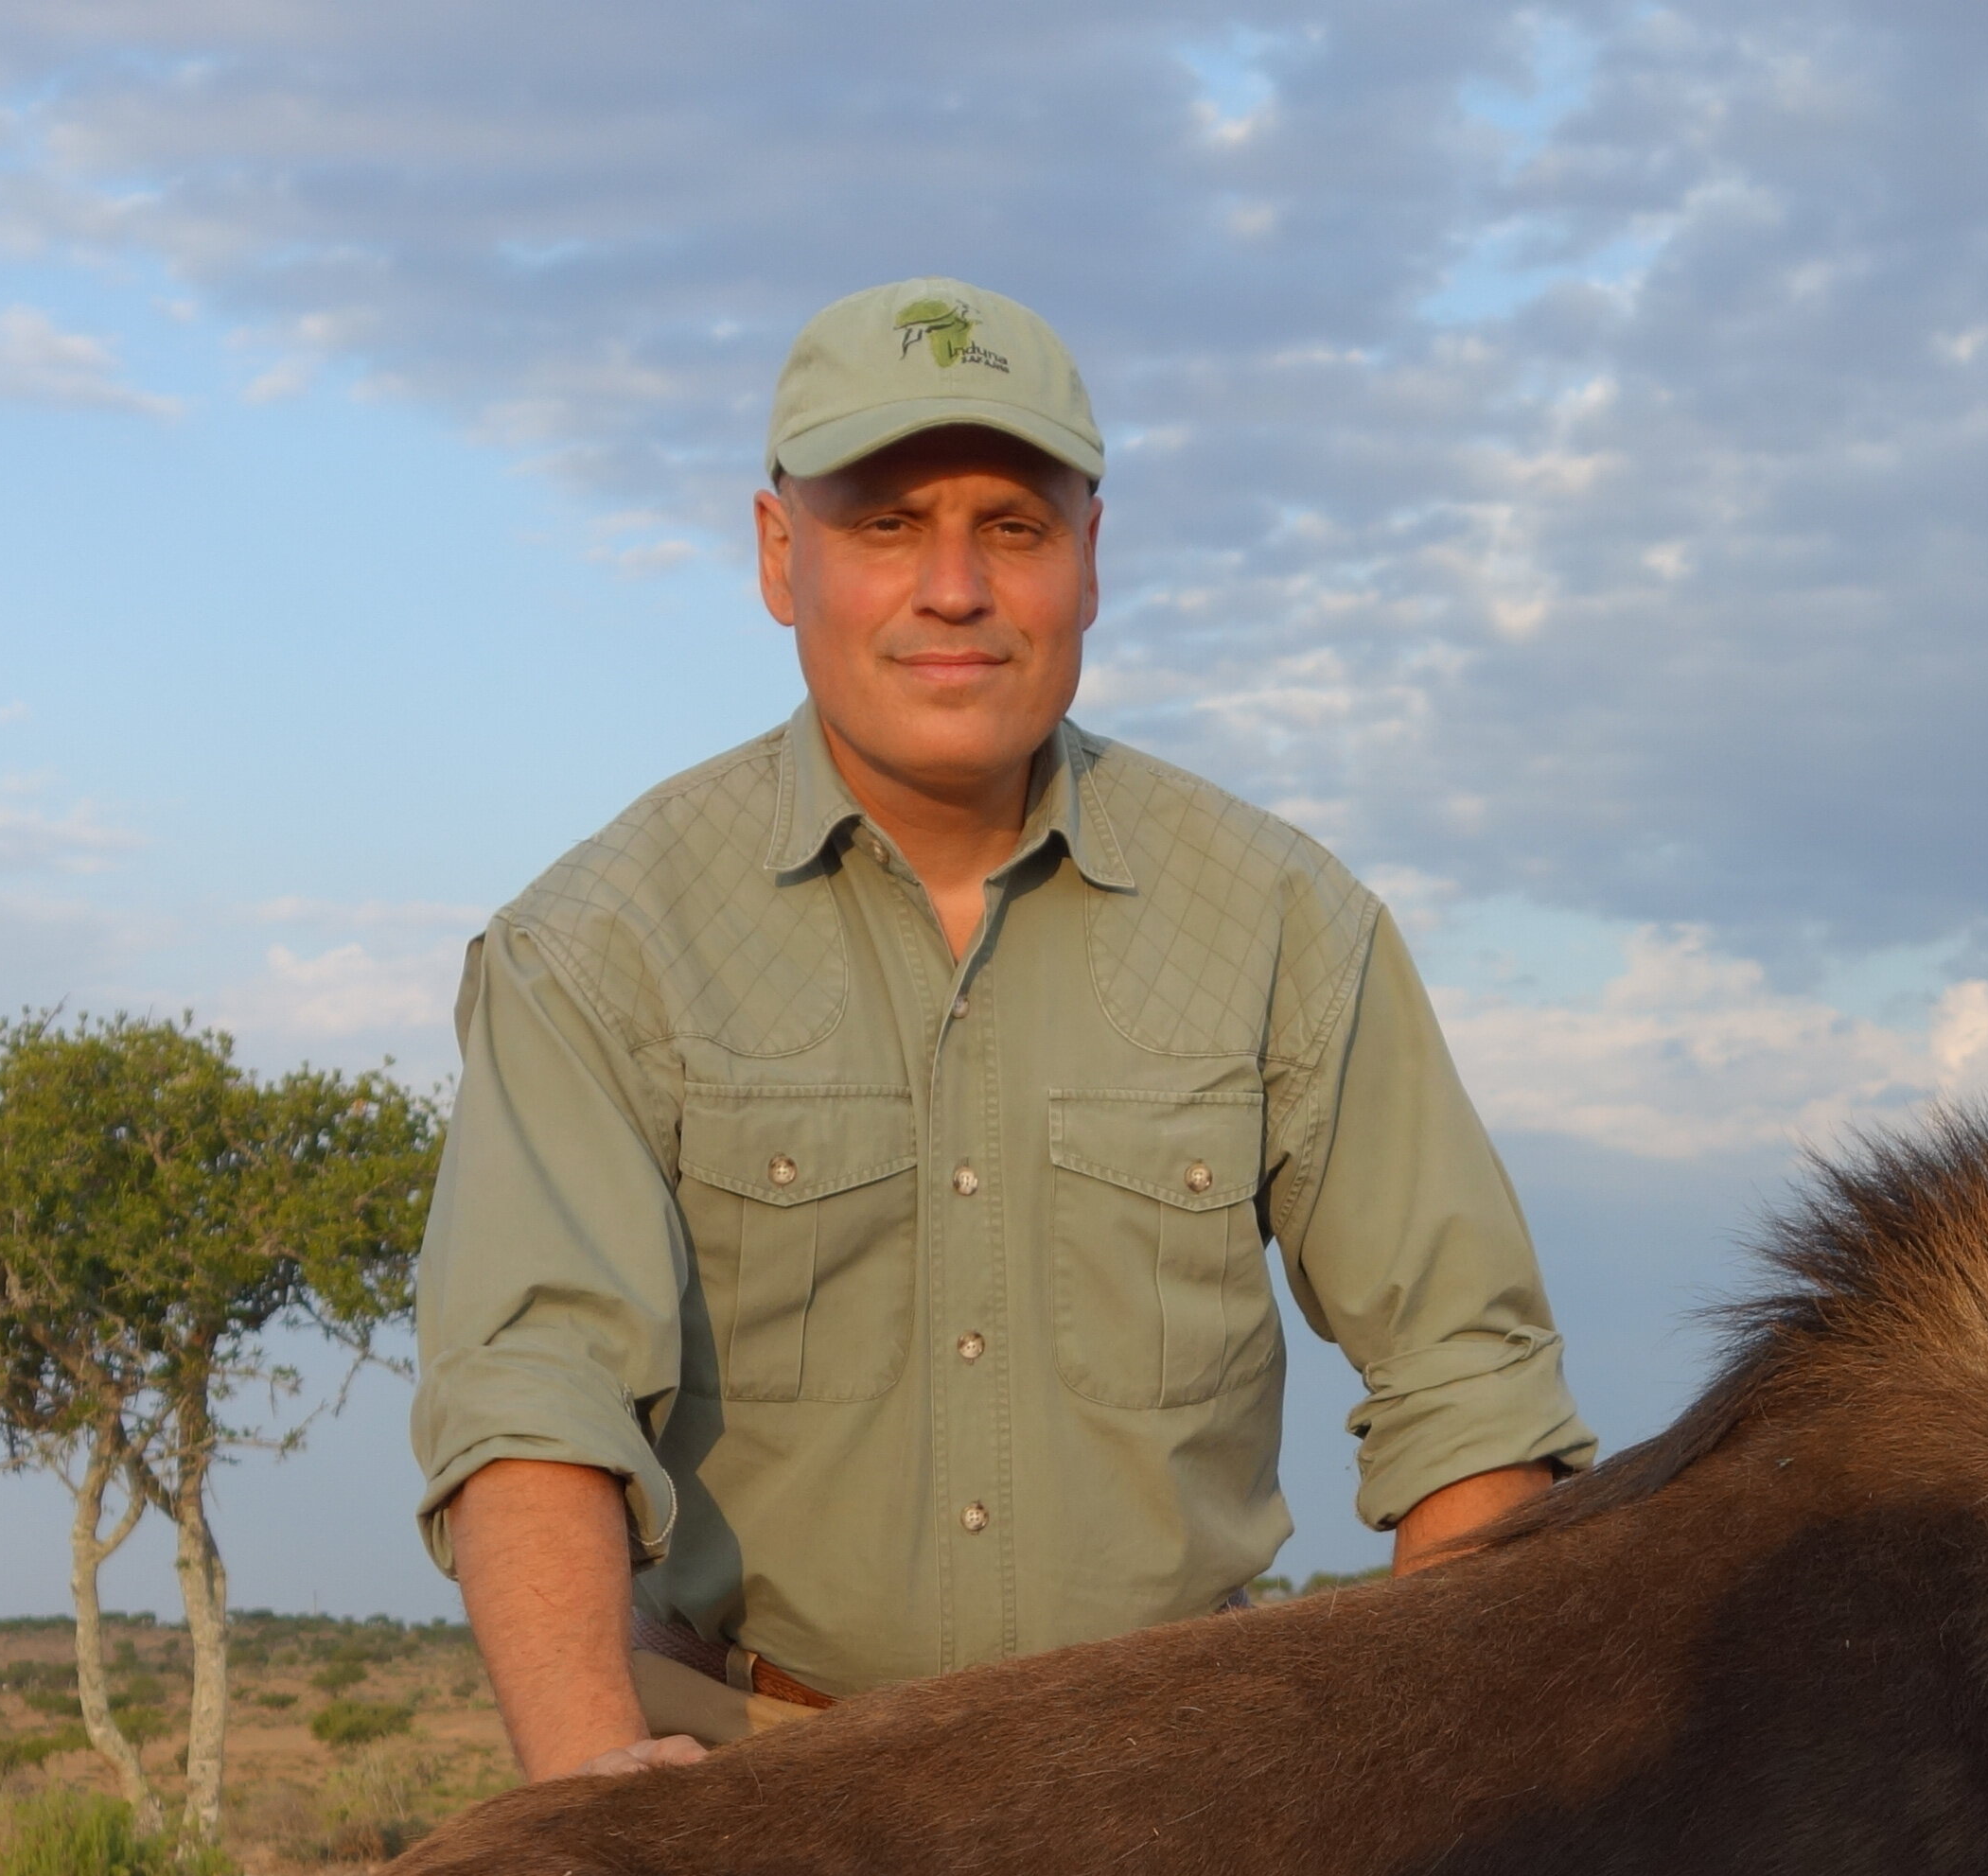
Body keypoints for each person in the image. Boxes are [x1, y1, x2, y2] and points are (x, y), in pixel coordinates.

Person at [412, 274, 1595, 1779]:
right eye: (886, 524)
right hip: (751, 1793)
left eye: (1013, 528)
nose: (953, 589)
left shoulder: (1290, 924)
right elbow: (532, 1388)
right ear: (782, 556)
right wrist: (590, 1783)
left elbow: (1471, 1381)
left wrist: (1419, 1770)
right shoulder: (593, 948)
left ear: (1091, 560)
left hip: (1180, 1787)